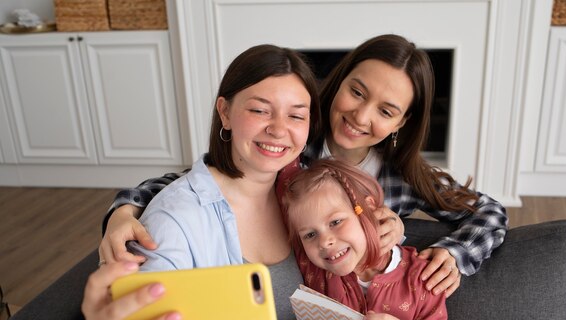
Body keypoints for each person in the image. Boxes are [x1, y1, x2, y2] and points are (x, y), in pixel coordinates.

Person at [98, 34, 508, 298]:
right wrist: (123, 211)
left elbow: (490, 212)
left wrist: (454, 254)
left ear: (402, 122)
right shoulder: (291, 142)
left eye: (385, 110)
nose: (362, 117)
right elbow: (199, 181)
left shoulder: (402, 178)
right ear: (339, 80)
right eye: (357, 92)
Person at [61, 44, 322, 320]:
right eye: (260, 110)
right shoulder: (179, 214)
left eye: (296, 115)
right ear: (225, 112)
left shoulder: (302, 199)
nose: (279, 129)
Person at [281, 159, 448, 320]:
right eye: (310, 235)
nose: (325, 241)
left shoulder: (421, 281)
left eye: (336, 222)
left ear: (367, 209)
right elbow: (280, 169)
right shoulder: (315, 266)